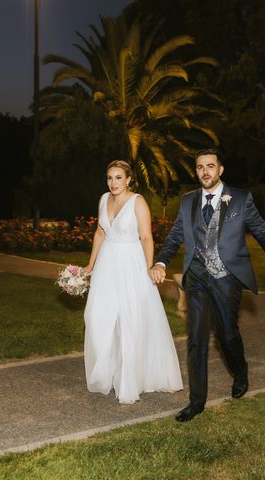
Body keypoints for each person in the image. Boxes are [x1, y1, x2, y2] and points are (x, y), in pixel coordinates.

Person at [150, 147, 265, 422]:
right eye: (200, 167)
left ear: (220, 169)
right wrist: (161, 262)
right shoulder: (188, 201)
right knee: (196, 338)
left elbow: (260, 229)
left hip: (227, 277)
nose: (205, 172)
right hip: (197, 278)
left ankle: (240, 371)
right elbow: (176, 236)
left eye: (210, 166)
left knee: (227, 333)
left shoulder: (240, 198)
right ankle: (196, 402)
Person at [83, 160, 183, 404]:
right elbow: (100, 232)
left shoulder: (138, 202)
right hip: (107, 264)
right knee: (97, 316)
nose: (113, 183)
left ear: (129, 179)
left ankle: (130, 379)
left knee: (130, 319)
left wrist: (149, 266)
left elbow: (146, 237)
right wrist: (90, 264)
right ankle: (107, 371)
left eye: (118, 177)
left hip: (131, 263)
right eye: (109, 178)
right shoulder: (103, 199)